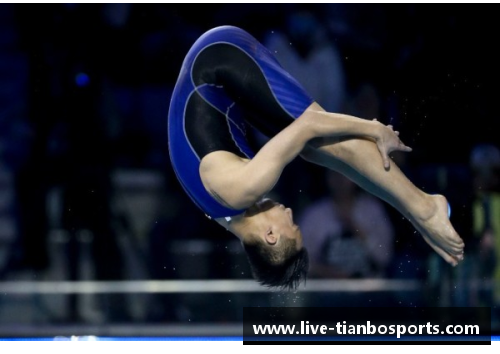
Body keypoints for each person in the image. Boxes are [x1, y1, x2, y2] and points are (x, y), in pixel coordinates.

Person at [167, 26, 464, 290]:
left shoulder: (248, 187)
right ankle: (417, 211)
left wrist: (372, 128)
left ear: (271, 235)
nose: (292, 216)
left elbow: (310, 124)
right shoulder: (228, 214)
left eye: (292, 228)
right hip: (219, 79)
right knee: (313, 151)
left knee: (320, 141)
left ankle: (424, 208)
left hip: (220, 57)